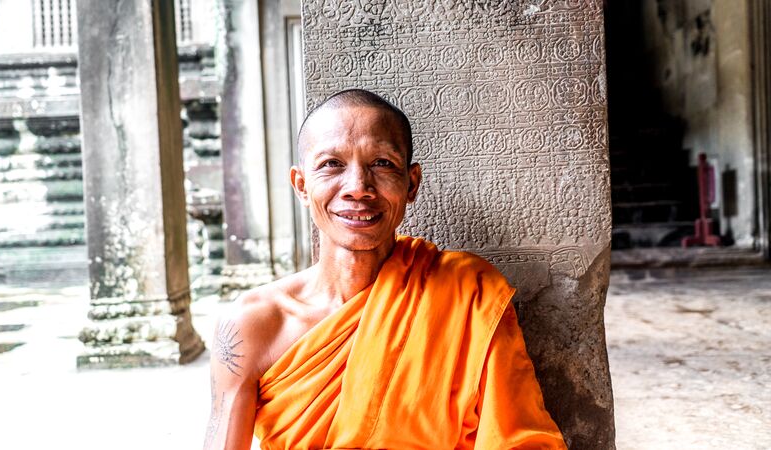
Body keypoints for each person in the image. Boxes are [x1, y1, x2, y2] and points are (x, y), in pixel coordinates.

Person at [204, 89, 566, 450]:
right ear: (301, 185)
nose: (358, 188)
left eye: (382, 164)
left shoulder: (468, 293)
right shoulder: (250, 326)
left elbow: (518, 441)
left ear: (411, 184)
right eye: (332, 164)